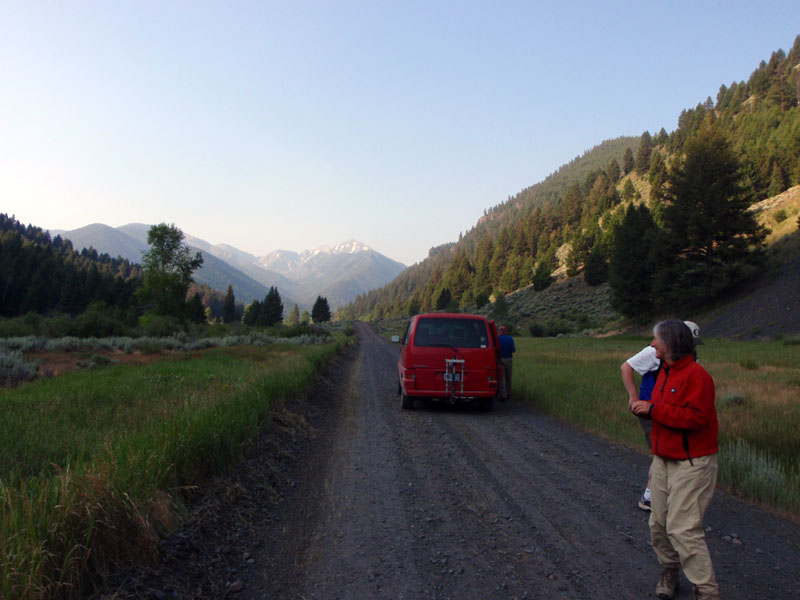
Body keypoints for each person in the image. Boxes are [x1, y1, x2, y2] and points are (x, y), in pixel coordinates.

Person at [630, 319, 719, 600]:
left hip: (693, 462)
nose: (652, 344)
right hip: (663, 459)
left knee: (683, 528)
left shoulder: (697, 376)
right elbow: (665, 410)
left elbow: (697, 418)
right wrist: (646, 410)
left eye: (656, 340)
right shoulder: (664, 372)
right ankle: (669, 570)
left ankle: (706, 592)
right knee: (658, 522)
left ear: (671, 343)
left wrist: (654, 410)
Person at [621, 320, 703, 512]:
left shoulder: (687, 359)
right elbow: (626, 367)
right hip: (650, 410)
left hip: (669, 412)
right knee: (661, 453)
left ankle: (660, 494)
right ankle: (650, 496)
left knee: (666, 452)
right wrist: (633, 398)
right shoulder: (654, 352)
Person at [497, 325, 515, 401]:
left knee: (502, 377)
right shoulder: (510, 338)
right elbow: (513, 350)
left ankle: (503, 395)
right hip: (509, 359)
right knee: (509, 377)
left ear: (500, 331)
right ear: (505, 331)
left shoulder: (497, 339)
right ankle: (509, 395)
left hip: (500, 359)